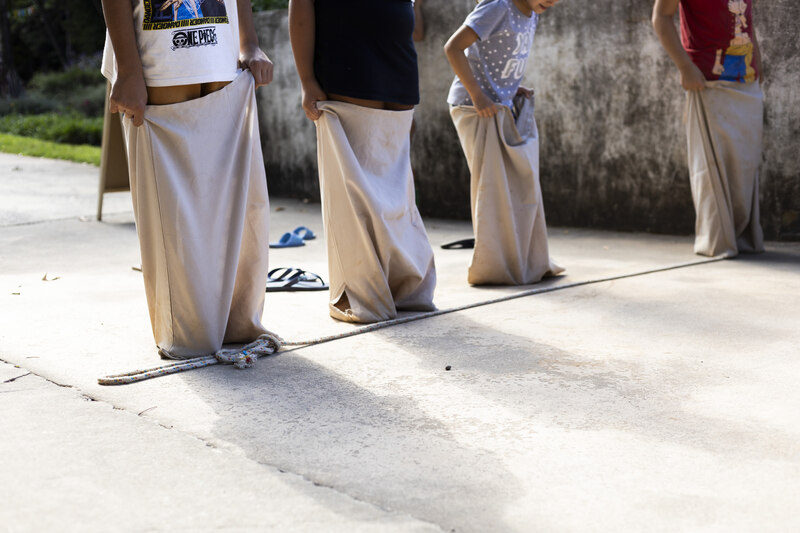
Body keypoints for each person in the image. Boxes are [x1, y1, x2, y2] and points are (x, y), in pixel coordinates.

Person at [100, 0, 277, 358]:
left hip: (221, 51)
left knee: (233, 206)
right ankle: (186, 330)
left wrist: (249, 42)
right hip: (160, 56)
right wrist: (129, 69)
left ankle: (234, 322)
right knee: (175, 214)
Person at [288, 0, 437, 323]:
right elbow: (300, 5)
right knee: (354, 192)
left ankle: (404, 287)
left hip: (398, 62)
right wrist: (306, 79)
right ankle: (363, 291)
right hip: (349, 59)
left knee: (396, 192)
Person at [444, 0, 563, 285]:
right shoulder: (499, 6)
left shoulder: (533, 12)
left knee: (518, 187)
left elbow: (497, 56)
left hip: (501, 106)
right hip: (475, 108)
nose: (552, 0)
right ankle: (493, 267)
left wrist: (509, 88)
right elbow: (453, 48)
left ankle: (523, 261)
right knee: (492, 190)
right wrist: (478, 95)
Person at [652, 0, 764, 257]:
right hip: (707, 82)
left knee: (745, 167)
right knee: (712, 168)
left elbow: (746, 20)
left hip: (747, 80)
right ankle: (718, 240)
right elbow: (661, 18)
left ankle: (743, 237)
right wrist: (685, 67)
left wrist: (757, 61)